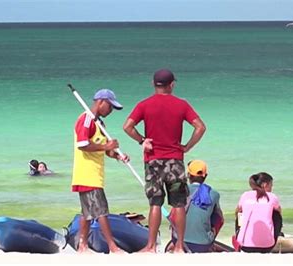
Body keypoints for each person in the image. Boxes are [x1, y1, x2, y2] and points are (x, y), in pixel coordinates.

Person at [123, 69, 206, 253]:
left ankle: (151, 246)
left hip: (153, 161)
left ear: (153, 84)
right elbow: (200, 127)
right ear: (172, 85)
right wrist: (188, 146)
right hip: (175, 161)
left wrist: (141, 140)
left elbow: (127, 126)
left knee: (155, 203)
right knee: (178, 204)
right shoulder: (181, 105)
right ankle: (178, 247)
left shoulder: (144, 105)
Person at [71, 88, 129, 253]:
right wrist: (106, 146)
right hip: (87, 174)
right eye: (110, 107)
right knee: (101, 211)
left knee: (87, 212)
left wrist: (117, 155)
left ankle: (82, 246)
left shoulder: (100, 124)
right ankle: (113, 247)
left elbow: (104, 151)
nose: (110, 111)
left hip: (95, 174)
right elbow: (82, 145)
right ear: (101, 102)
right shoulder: (86, 119)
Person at [166, 160, 224, 253]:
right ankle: (208, 240)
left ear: (188, 175)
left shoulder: (180, 191)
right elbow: (220, 220)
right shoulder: (214, 194)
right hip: (202, 245)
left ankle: (176, 243)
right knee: (216, 215)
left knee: (177, 212)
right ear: (206, 176)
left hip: (178, 240)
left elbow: (173, 217)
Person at [234, 172, 282, 253]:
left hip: (245, 246)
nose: (271, 188)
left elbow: (237, 212)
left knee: (240, 213)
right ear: (265, 185)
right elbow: (279, 213)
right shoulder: (272, 196)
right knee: (276, 214)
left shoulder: (245, 195)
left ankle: (240, 236)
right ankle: (271, 236)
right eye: (271, 185)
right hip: (267, 246)